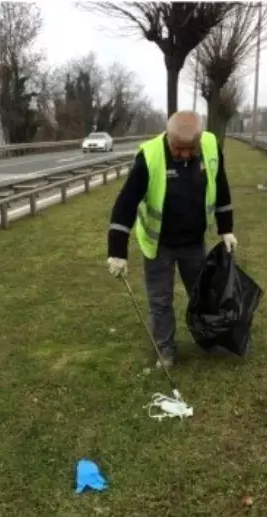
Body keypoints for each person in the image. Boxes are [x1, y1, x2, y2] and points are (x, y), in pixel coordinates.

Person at [106, 110, 237, 368]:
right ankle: (165, 350)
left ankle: (209, 339)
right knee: (160, 301)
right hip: (159, 245)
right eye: (179, 149)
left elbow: (221, 186)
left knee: (202, 296)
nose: (185, 154)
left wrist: (226, 228)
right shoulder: (150, 157)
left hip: (194, 243)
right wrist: (117, 252)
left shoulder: (210, 146)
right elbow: (125, 204)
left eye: (191, 149)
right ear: (168, 139)